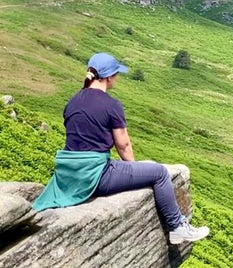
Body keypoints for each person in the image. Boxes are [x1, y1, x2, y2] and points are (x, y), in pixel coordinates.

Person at [32, 52, 209, 245]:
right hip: (96, 175)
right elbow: (123, 146)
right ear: (108, 77)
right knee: (159, 173)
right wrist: (134, 171)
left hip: (68, 174)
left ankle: (178, 227)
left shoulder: (72, 102)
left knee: (146, 169)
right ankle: (178, 227)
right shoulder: (111, 105)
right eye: (116, 74)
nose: (117, 77)